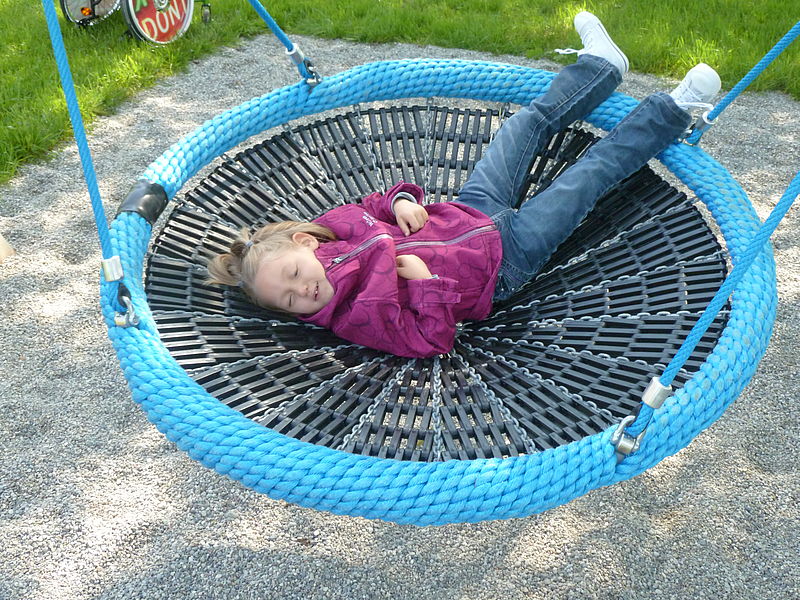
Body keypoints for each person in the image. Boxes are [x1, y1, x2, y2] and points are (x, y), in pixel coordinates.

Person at [206, 11, 721, 358]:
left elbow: (377, 202)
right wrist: (424, 285)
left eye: (294, 275)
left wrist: (401, 201)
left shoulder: (335, 227)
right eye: (290, 301)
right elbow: (431, 340)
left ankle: (600, 69)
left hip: (470, 209)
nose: (303, 291)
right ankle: (673, 110)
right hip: (505, 263)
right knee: (589, 175)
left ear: (304, 243)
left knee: (522, 126)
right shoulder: (357, 317)